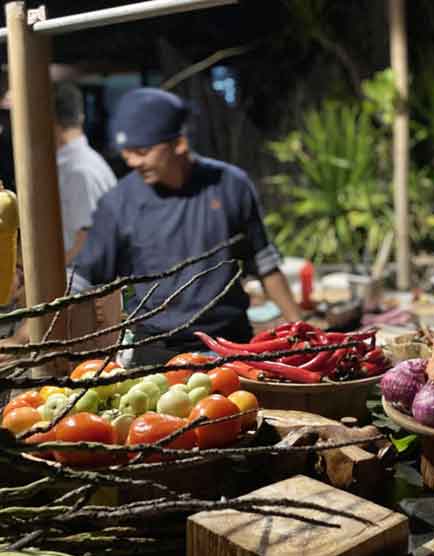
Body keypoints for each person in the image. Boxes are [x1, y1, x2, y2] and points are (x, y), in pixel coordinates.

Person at [68, 87, 301, 365]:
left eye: (142, 152)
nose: (132, 162)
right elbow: (81, 281)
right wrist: (32, 336)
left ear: (179, 144)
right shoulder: (118, 203)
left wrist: (303, 330)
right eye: (127, 153)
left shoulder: (230, 185)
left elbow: (265, 264)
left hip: (230, 346)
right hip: (155, 352)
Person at [0, 82, 118, 354]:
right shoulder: (69, 166)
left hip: (77, 315)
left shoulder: (80, 171)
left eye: (15, 116)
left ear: (42, 117)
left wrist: (23, 336)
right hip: (62, 309)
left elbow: (86, 249)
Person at [53, 82, 117, 263]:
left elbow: (88, 243)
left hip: (79, 285)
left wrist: (41, 284)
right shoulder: (80, 164)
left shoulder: (78, 171)